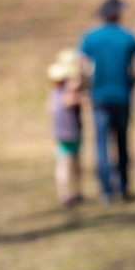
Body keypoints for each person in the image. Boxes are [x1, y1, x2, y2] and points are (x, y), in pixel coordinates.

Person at [77, 0, 135, 202]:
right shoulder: (128, 36)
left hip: (99, 97)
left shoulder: (90, 36)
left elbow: (80, 64)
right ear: (118, 14)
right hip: (122, 96)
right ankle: (123, 187)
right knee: (122, 142)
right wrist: (132, 82)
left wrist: (86, 85)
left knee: (102, 144)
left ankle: (106, 190)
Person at [47, 49, 85, 207]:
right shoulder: (67, 89)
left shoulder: (52, 90)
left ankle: (72, 192)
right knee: (68, 162)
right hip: (69, 131)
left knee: (68, 162)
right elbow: (72, 100)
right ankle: (67, 193)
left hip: (59, 131)